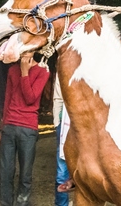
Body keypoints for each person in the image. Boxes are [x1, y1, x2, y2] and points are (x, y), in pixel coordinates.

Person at [0, 51, 50, 206]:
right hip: (9, 127)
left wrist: (25, 72)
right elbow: (7, 99)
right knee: (5, 173)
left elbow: (30, 98)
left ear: (34, 50)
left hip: (28, 129)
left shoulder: (43, 70)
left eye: (28, 48)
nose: (24, 52)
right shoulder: (12, 70)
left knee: (25, 175)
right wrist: (2, 128)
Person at [53, 75, 73, 205]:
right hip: (65, 125)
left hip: (87, 127)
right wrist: (57, 123)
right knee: (62, 174)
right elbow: (58, 97)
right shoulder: (64, 64)